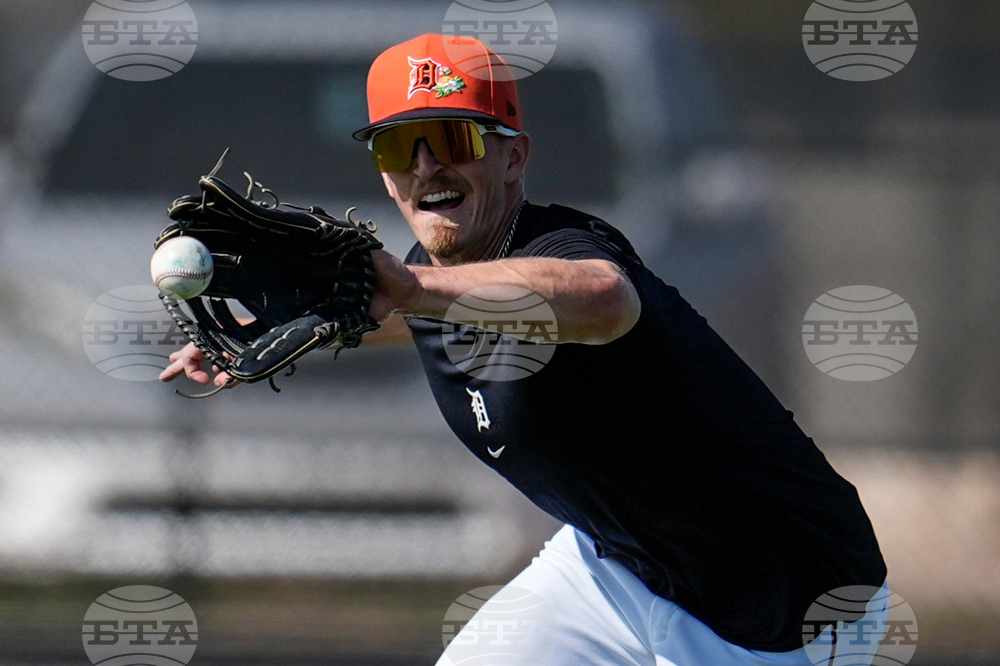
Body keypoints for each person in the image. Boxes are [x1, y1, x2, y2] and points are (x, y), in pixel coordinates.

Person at [163, 34, 889, 666]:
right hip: (614, 570)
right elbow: (401, 311)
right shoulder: (429, 276)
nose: (425, 168)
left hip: (780, 605)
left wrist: (409, 289)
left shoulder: (562, 250)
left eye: (452, 141)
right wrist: (261, 336)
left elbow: (599, 300)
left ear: (513, 159)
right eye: (396, 146)